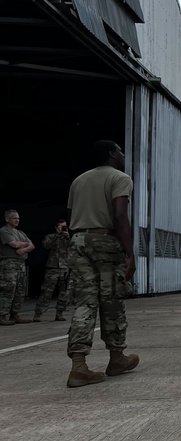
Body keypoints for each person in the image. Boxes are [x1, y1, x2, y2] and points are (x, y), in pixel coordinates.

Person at [64, 141, 139, 388]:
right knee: (111, 300)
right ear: (111, 154)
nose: (123, 155)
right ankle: (116, 358)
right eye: (119, 150)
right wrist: (130, 253)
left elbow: (70, 215)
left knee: (85, 302)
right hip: (104, 240)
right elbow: (120, 216)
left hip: (78, 240)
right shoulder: (120, 178)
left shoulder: (79, 180)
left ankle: (78, 366)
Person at [0, 209, 35, 325]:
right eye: (14, 218)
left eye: (18, 218)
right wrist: (25, 245)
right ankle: (2, 315)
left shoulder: (20, 233)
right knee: (8, 288)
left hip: (21, 263)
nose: (17, 220)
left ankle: (15, 314)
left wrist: (23, 249)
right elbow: (13, 244)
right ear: (7, 219)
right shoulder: (4, 231)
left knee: (20, 289)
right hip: (9, 263)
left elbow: (32, 246)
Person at [34, 219, 72, 321]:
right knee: (46, 291)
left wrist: (67, 237)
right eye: (61, 227)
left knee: (64, 293)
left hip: (65, 268)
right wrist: (57, 235)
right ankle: (38, 313)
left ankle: (60, 313)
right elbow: (46, 245)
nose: (63, 229)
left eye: (65, 227)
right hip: (53, 268)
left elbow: (73, 248)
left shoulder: (69, 238)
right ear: (56, 228)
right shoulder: (51, 236)